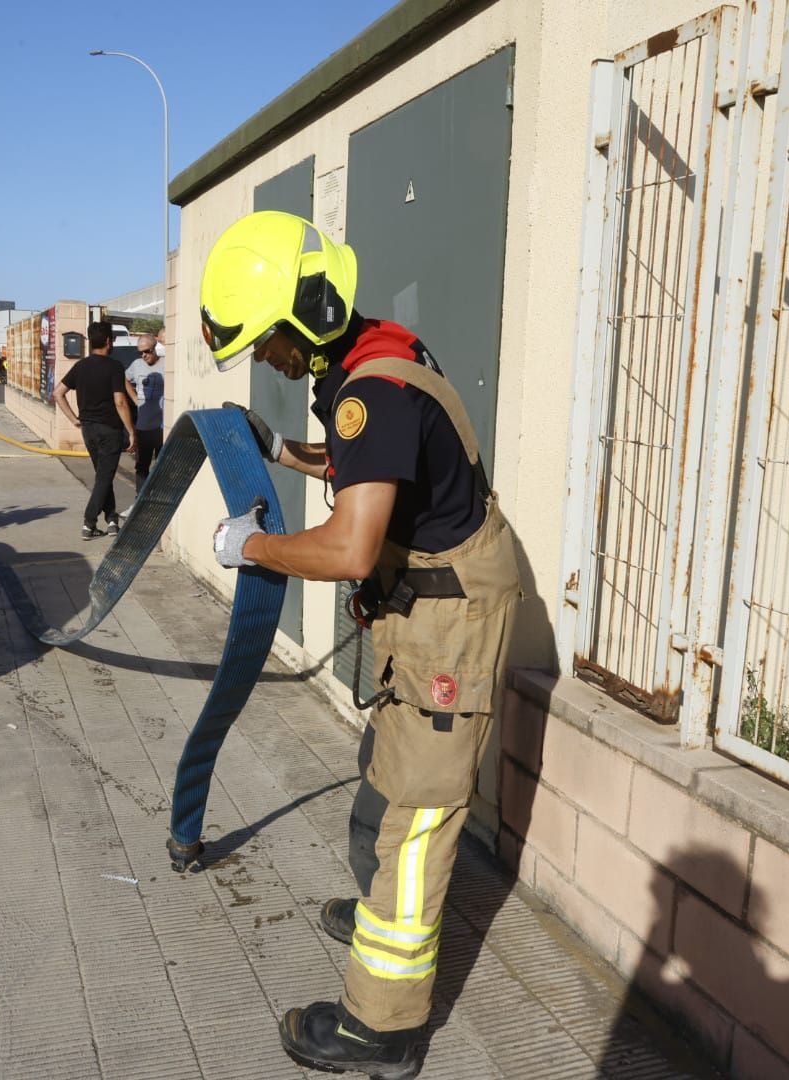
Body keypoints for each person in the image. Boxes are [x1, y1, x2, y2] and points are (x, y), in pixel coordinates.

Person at [202, 211, 521, 1078]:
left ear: (305, 314)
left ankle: (381, 1029)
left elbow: (348, 545)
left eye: (268, 340)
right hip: (429, 605)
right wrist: (281, 450)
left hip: (452, 622)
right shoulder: (374, 355)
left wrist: (254, 547)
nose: (268, 359)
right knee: (389, 769)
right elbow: (366, 466)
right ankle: (385, 914)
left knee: (418, 817)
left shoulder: (370, 392)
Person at [53, 321, 136, 539]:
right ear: (108, 341)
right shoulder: (114, 366)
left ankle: (111, 521)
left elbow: (58, 393)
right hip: (109, 431)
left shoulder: (81, 366)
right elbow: (120, 402)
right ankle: (89, 523)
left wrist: (74, 420)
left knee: (103, 476)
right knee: (104, 478)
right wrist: (131, 431)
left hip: (88, 430)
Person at [123, 333, 166, 494]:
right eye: (140, 352)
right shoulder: (136, 364)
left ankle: (158, 498)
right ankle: (140, 499)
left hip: (161, 426)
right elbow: (124, 379)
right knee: (142, 467)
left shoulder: (166, 364)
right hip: (143, 426)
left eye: (147, 351)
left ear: (155, 348)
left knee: (162, 466)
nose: (144, 355)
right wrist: (134, 398)